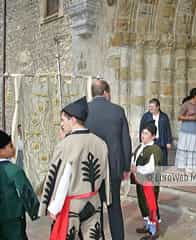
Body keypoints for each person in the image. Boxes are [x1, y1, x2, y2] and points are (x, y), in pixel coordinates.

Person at [38, 97, 111, 240]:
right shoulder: (101, 142)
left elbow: (63, 179)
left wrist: (54, 207)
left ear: (73, 120)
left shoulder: (66, 145)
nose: (61, 124)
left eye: (63, 120)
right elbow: (104, 174)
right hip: (94, 201)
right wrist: (106, 198)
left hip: (72, 205)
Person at [85, 79, 132, 240]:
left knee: (95, 208)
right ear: (106, 93)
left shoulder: (84, 111)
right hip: (113, 167)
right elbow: (126, 140)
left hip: (91, 169)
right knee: (114, 207)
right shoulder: (118, 111)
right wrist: (126, 167)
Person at [0, 130, 39, 240]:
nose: (13, 148)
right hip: (13, 218)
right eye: (10, 146)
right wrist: (35, 211)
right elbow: (25, 192)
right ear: (1, 150)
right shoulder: (14, 170)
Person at [131, 123, 162, 240]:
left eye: (146, 133)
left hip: (149, 183)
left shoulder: (155, 150)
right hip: (140, 180)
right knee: (142, 203)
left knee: (150, 205)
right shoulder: (140, 146)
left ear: (153, 136)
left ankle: (153, 231)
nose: (142, 135)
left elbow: (152, 168)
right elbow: (134, 158)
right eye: (142, 133)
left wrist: (137, 168)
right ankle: (147, 225)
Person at [175, 88, 196, 173]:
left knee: (194, 149)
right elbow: (179, 117)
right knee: (185, 148)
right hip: (186, 130)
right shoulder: (186, 104)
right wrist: (190, 118)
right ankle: (182, 166)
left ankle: (192, 167)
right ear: (195, 95)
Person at [139, 98, 172, 166]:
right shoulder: (146, 116)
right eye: (149, 106)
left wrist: (168, 142)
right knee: (150, 160)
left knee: (162, 160)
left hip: (161, 141)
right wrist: (142, 140)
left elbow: (168, 129)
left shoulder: (164, 116)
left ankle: (161, 174)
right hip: (150, 141)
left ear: (158, 107)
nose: (150, 108)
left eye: (152, 107)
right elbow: (141, 129)